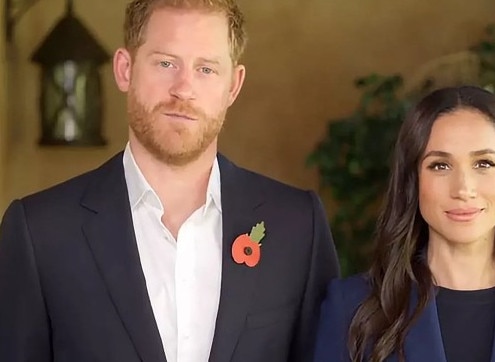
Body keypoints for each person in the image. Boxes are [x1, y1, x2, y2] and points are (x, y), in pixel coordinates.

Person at [0, 1, 340, 361]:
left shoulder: (298, 225)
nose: (184, 89)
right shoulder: (39, 232)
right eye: (165, 63)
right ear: (125, 69)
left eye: (206, 69)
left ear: (233, 85)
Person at [313, 85, 495, 362]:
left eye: (484, 164)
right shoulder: (350, 307)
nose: (463, 188)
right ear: (413, 180)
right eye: (440, 166)